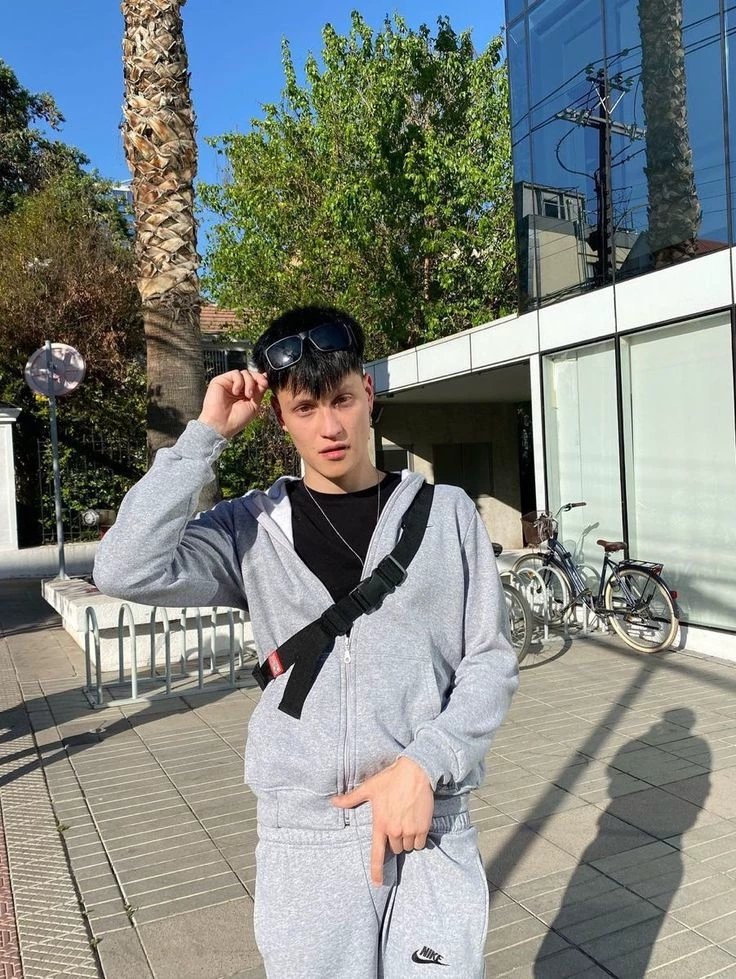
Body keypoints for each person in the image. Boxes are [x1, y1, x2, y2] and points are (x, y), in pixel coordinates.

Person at [93, 305, 519, 979]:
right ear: (280, 417)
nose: (329, 426)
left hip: (427, 823)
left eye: (342, 400)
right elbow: (123, 567)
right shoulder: (248, 529)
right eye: (305, 407)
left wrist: (426, 763)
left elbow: (489, 660)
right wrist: (205, 435)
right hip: (306, 839)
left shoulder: (447, 514)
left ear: (368, 394)